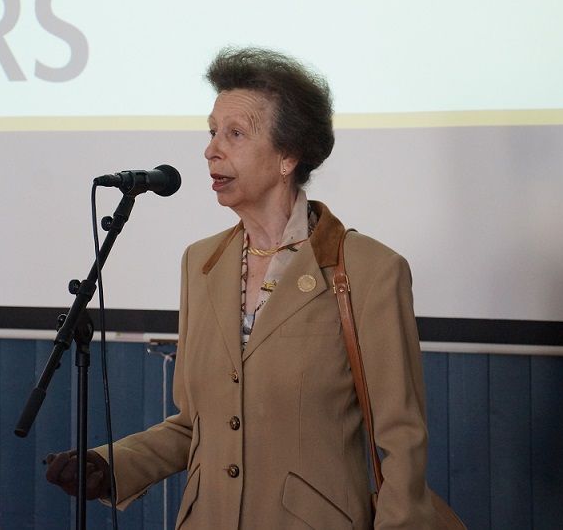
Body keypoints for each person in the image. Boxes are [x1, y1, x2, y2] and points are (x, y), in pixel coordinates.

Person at [47, 47, 436, 529]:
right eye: (212, 132)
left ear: (288, 155)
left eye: (235, 134)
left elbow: (402, 441)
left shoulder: (370, 269)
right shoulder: (201, 264)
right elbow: (196, 424)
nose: (211, 150)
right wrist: (112, 466)